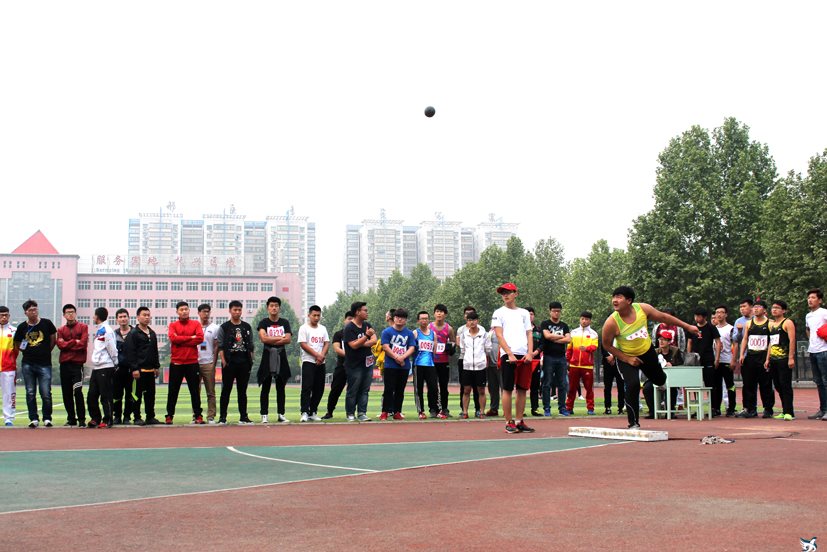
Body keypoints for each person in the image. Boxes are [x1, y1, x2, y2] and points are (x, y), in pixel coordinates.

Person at [601, 286, 699, 429]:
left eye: (619, 297)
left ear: (629, 300)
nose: (614, 300)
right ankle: (633, 423)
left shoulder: (643, 309)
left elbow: (664, 317)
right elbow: (607, 345)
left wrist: (688, 327)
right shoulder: (611, 323)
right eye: (614, 297)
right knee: (633, 384)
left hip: (647, 352)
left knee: (660, 380)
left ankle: (660, 380)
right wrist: (628, 359)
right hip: (626, 357)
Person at [491, 282, 535, 434]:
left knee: (522, 389)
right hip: (508, 355)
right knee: (508, 389)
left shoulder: (524, 313)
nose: (505, 295)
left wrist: (530, 352)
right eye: (503, 293)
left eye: (508, 292)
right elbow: (499, 335)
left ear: (516, 293)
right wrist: (509, 353)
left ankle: (519, 420)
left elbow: (529, 333)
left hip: (524, 354)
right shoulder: (498, 313)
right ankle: (508, 422)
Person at [13, 300, 57, 428]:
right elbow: (17, 343)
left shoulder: (47, 323)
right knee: (30, 392)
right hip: (28, 364)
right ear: (25, 312)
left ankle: (47, 418)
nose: (33, 312)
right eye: (30, 310)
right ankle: (33, 418)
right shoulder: (22, 327)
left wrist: (45, 351)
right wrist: (26, 350)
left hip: (44, 363)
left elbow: (53, 339)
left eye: (35, 309)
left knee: (46, 393)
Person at [216, 300, 255, 425]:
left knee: (242, 391)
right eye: (235, 310)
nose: (237, 312)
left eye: (239, 310)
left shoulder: (247, 327)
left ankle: (243, 417)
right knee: (226, 390)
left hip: (244, 362)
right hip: (229, 363)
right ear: (230, 311)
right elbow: (220, 346)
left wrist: (251, 361)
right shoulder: (224, 327)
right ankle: (222, 417)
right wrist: (223, 361)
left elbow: (251, 345)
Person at [166, 301, 205, 425]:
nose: (184, 311)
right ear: (177, 312)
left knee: (195, 391)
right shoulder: (173, 325)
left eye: (186, 309)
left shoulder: (196, 324)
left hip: (192, 362)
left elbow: (200, 338)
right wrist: (191, 337)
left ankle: (198, 415)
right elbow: (173, 339)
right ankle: (169, 415)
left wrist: (181, 340)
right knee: (173, 391)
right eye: (181, 309)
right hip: (176, 363)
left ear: (189, 310)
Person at [736, 300, 775, 418]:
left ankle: (768, 409)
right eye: (755, 307)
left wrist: (768, 358)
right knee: (748, 384)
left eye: (759, 307)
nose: (756, 309)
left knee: (766, 384)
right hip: (751, 356)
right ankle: (751, 409)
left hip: (763, 356)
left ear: (764, 310)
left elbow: (771, 342)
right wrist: (741, 355)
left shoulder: (770, 323)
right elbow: (745, 339)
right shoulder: (749, 323)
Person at [258, 296, 293, 423]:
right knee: (265, 387)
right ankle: (264, 414)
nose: (274, 308)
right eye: (271, 306)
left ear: (279, 308)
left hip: (281, 355)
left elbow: (288, 339)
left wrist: (271, 339)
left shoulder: (285, 322)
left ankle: (281, 414)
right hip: (267, 356)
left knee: (281, 387)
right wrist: (280, 338)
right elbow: (263, 339)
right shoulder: (263, 322)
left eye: (276, 306)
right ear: (268, 308)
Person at [126, 306, 161, 425]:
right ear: (138, 317)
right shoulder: (133, 333)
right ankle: (136, 417)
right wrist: (134, 368)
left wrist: (156, 366)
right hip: (139, 371)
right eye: (144, 315)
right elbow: (130, 352)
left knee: (150, 395)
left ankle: (150, 417)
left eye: (148, 315)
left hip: (150, 370)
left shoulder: (152, 333)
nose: (147, 317)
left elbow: (155, 351)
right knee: (137, 395)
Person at [380, 308, 416, 420]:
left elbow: (412, 347)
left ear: (406, 320)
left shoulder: (409, 333)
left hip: (404, 366)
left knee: (400, 390)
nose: (399, 319)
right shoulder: (386, 332)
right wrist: (396, 357)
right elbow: (385, 347)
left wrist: (403, 357)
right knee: (389, 389)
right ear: (394, 318)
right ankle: (385, 412)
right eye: (397, 317)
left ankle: (397, 412)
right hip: (390, 365)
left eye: (402, 318)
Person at [344, 301, 377, 422]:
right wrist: (366, 337)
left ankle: (362, 413)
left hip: (367, 362)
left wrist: (361, 342)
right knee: (353, 389)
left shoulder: (367, 325)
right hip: (354, 364)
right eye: (365, 310)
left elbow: (374, 340)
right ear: (357, 312)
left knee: (365, 389)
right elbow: (353, 345)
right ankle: (350, 413)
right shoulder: (349, 327)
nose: (367, 312)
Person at [56, 303, 88, 427]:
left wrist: (68, 344)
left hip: (77, 365)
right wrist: (75, 341)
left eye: (72, 312)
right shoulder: (60, 330)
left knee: (78, 391)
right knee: (66, 393)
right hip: (64, 365)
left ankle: (81, 419)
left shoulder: (83, 327)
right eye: (68, 312)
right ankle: (71, 418)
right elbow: (60, 345)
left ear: (75, 313)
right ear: (64, 315)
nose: (70, 314)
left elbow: (83, 344)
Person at [298, 305, 330, 422]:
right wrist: (317, 355)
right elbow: (303, 344)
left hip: (321, 362)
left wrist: (322, 356)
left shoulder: (323, 328)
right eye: (314, 315)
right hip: (308, 361)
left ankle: (313, 411)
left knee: (319, 388)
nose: (316, 318)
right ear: (309, 315)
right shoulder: (304, 328)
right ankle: (304, 412)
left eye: (318, 315)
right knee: (307, 388)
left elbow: (326, 343)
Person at [87, 307, 118, 428]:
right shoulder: (100, 330)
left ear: (97, 317)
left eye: (94, 315)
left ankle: (108, 419)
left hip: (106, 366)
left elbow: (112, 348)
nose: (93, 317)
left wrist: (115, 362)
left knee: (105, 395)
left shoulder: (106, 330)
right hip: (97, 367)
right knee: (92, 395)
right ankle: (95, 418)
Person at [686, 307, 721, 415]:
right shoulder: (692, 328)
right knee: (695, 385)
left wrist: (717, 358)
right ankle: (697, 408)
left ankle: (714, 408)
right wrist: (689, 356)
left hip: (708, 359)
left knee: (710, 384)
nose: (697, 318)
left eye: (699, 316)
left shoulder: (711, 327)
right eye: (695, 316)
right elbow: (689, 342)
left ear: (705, 317)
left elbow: (718, 342)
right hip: (695, 360)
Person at [458, 311, 491, 419]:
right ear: (467, 321)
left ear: (477, 321)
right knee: (466, 390)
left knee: (481, 390)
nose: (471, 322)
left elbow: (488, 349)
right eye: (469, 320)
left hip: (480, 366)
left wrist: (482, 360)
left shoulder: (484, 334)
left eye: (473, 320)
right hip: (467, 366)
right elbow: (463, 349)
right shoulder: (464, 335)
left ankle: (482, 412)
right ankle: (465, 412)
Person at [540, 301, 571, 417]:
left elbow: (568, 339)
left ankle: (562, 408)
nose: (556, 313)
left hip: (561, 357)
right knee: (547, 383)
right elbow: (547, 336)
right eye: (554, 311)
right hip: (548, 356)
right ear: (550, 311)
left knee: (562, 383)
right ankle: (547, 408)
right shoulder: (545, 324)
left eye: (558, 311)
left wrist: (554, 338)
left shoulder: (564, 325)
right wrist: (561, 337)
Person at [642, 330, 681, 417]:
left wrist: (673, 365)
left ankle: (670, 411)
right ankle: (653, 411)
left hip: (671, 378)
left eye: (664, 339)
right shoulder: (655, 352)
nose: (661, 341)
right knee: (647, 388)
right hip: (656, 377)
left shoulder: (676, 351)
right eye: (660, 339)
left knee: (672, 388)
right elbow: (649, 364)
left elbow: (681, 363)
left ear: (669, 341)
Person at [767, 300, 796, 420]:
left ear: (784, 310)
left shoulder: (787, 322)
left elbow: (792, 340)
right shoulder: (771, 324)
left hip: (784, 359)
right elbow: (771, 343)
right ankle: (784, 411)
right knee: (778, 385)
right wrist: (767, 358)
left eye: (777, 308)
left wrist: (791, 358)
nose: (774, 310)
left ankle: (789, 412)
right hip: (773, 359)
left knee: (785, 385)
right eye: (773, 307)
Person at [566, 311, 598, 415]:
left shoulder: (593, 334)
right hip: (574, 365)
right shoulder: (574, 332)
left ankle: (590, 408)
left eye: (586, 319)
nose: (584, 321)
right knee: (571, 388)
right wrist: (568, 361)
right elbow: (569, 348)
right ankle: (569, 408)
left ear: (590, 321)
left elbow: (594, 347)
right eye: (582, 319)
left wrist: (586, 348)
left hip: (587, 366)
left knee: (589, 388)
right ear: (580, 319)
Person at [321, 311, 353, 419]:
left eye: (353, 319)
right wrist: (351, 355)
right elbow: (337, 349)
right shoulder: (339, 334)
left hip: (355, 366)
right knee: (335, 389)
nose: (351, 321)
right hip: (342, 365)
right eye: (349, 318)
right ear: (344, 320)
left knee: (354, 390)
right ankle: (329, 411)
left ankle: (352, 413)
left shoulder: (358, 334)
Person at [112, 308, 138, 425]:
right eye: (120, 317)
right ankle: (117, 416)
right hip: (118, 369)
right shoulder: (113, 334)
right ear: (117, 320)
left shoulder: (135, 333)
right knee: (116, 394)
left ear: (128, 318)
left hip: (132, 369)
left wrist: (136, 367)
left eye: (125, 316)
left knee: (130, 394)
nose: (123, 319)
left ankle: (127, 416)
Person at [413, 310, 441, 419]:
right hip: (418, 364)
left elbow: (434, 350)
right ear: (418, 320)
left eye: (426, 318)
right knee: (418, 389)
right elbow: (411, 348)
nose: (424, 321)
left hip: (430, 364)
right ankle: (421, 411)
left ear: (429, 320)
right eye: (422, 319)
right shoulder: (415, 333)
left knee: (434, 388)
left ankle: (434, 410)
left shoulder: (433, 334)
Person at [804, 289, 827, 420]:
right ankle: (822, 409)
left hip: (824, 351)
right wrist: (811, 341)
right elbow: (808, 329)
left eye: (813, 297)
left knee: (825, 381)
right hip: (813, 351)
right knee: (818, 382)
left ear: (820, 300)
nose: (810, 300)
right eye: (809, 298)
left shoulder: (824, 312)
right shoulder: (808, 316)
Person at [456, 306, 482, 417]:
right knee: (464, 386)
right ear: (464, 316)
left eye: (471, 314)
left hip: (477, 361)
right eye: (467, 314)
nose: (469, 315)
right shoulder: (461, 329)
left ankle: (478, 409)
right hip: (464, 359)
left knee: (478, 387)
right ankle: (464, 410)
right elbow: (459, 343)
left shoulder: (481, 330)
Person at [430, 304, 455, 417]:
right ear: (434, 314)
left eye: (441, 312)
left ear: (445, 314)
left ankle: (444, 409)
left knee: (444, 386)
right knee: (432, 386)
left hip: (444, 361)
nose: (439, 314)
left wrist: (451, 348)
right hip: (431, 361)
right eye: (437, 311)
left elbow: (453, 343)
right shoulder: (429, 327)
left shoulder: (449, 329)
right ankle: (433, 409)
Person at [197, 304, 220, 424]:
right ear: (199, 313)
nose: (206, 314)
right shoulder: (194, 326)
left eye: (208, 312)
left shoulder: (215, 328)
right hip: (195, 362)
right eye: (203, 312)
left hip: (208, 362)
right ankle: (196, 415)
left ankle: (211, 416)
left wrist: (213, 363)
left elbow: (216, 346)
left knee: (210, 391)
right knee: (195, 392)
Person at [713, 305, 737, 417]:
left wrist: (733, 360)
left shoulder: (730, 329)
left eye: (721, 312)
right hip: (716, 361)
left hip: (727, 360)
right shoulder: (713, 329)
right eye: (717, 312)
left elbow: (735, 345)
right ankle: (716, 408)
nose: (719, 314)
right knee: (716, 386)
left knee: (730, 385)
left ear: (726, 314)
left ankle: (731, 408)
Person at [0, 306, 18, 427]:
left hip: (8, 367)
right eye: (1, 315)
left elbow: (17, 349)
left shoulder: (14, 330)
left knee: (9, 393)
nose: (4, 317)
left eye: (6, 315)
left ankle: (9, 418)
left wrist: (11, 360)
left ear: (9, 316)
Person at [525, 307, 543, 417]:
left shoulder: (538, 330)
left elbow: (542, 344)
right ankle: (521, 410)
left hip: (535, 360)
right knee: (521, 387)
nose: (530, 316)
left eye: (531, 314)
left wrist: (535, 353)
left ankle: (535, 409)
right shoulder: (519, 329)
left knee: (535, 386)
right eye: (527, 314)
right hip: (523, 361)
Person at [601, 344, 624, 416]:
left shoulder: (619, 339)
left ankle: (621, 408)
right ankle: (607, 408)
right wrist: (608, 357)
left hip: (619, 364)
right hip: (607, 364)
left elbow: (621, 348)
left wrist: (613, 356)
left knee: (621, 387)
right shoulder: (605, 339)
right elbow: (603, 347)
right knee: (607, 387)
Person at [732, 298, 754, 374]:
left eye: (744, 306)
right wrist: (739, 331)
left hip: (760, 355)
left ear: (751, 307)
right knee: (747, 379)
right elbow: (735, 339)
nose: (742, 309)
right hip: (745, 355)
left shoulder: (759, 319)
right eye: (740, 307)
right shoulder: (738, 321)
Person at [485, 331, 502, 417]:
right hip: (490, 364)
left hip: (501, 364)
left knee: (504, 388)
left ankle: (507, 409)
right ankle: (494, 408)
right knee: (492, 388)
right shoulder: (489, 333)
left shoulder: (504, 331)